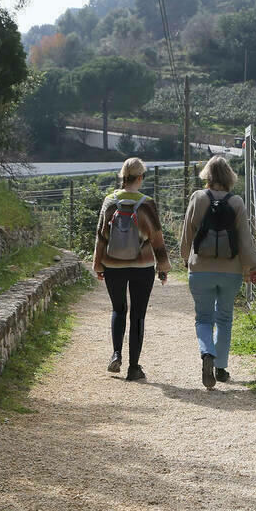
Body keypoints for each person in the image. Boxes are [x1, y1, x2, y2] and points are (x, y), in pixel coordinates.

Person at [180, 156, 256, 390]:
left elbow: (187, 232)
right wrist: (252, 267)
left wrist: (185, 257)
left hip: (200, 270)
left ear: (207, 175)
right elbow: (245, 238)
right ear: (229, 177)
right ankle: (222, 368)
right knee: (224, 318)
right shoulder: (236, 202)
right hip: (231, 271)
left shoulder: (197, 197)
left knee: (203, 318)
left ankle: (207, 353)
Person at [93, 157, 170, 381]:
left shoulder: (109, 202)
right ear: (140, 177)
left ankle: (116, 354)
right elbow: (157, 239)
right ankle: (134, 367)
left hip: (113, 264)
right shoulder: (147, 203)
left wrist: (99, 265)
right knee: (138, 315)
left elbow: (101, 237)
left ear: (122, 177)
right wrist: (162, 267)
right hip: (142, 266)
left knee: (118, 309)